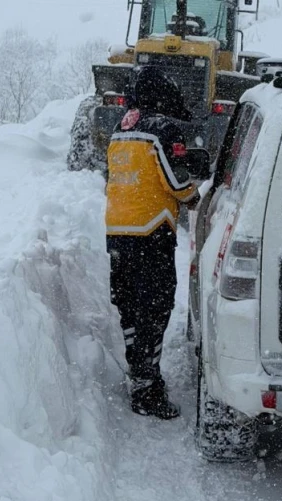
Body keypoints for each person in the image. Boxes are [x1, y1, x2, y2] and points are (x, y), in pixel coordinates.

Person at [105, 66, 198, 419]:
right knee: (155, 307)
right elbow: (177, 182)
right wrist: (194, 196)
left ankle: (139, 370)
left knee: (129, 305)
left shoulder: (120, 129)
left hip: (118, 231)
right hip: (151, 231)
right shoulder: (163, 129)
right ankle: (147, 389)